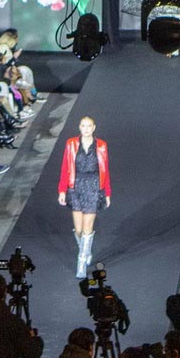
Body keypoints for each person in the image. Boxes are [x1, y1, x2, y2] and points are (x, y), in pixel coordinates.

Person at [57, 114, 111, 278]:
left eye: (89, 126)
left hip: (93, 186)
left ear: (94, 128)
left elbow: (105, 170)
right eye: (83, 126)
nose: (86, 129)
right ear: (79, 127)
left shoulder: (101, 146)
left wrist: (107, 192)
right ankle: (86, 251)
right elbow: (65, 166)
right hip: (75, 186)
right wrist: (62, 190)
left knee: (87, 228)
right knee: (79, 230)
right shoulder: (71, 143)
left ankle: (81, 261)